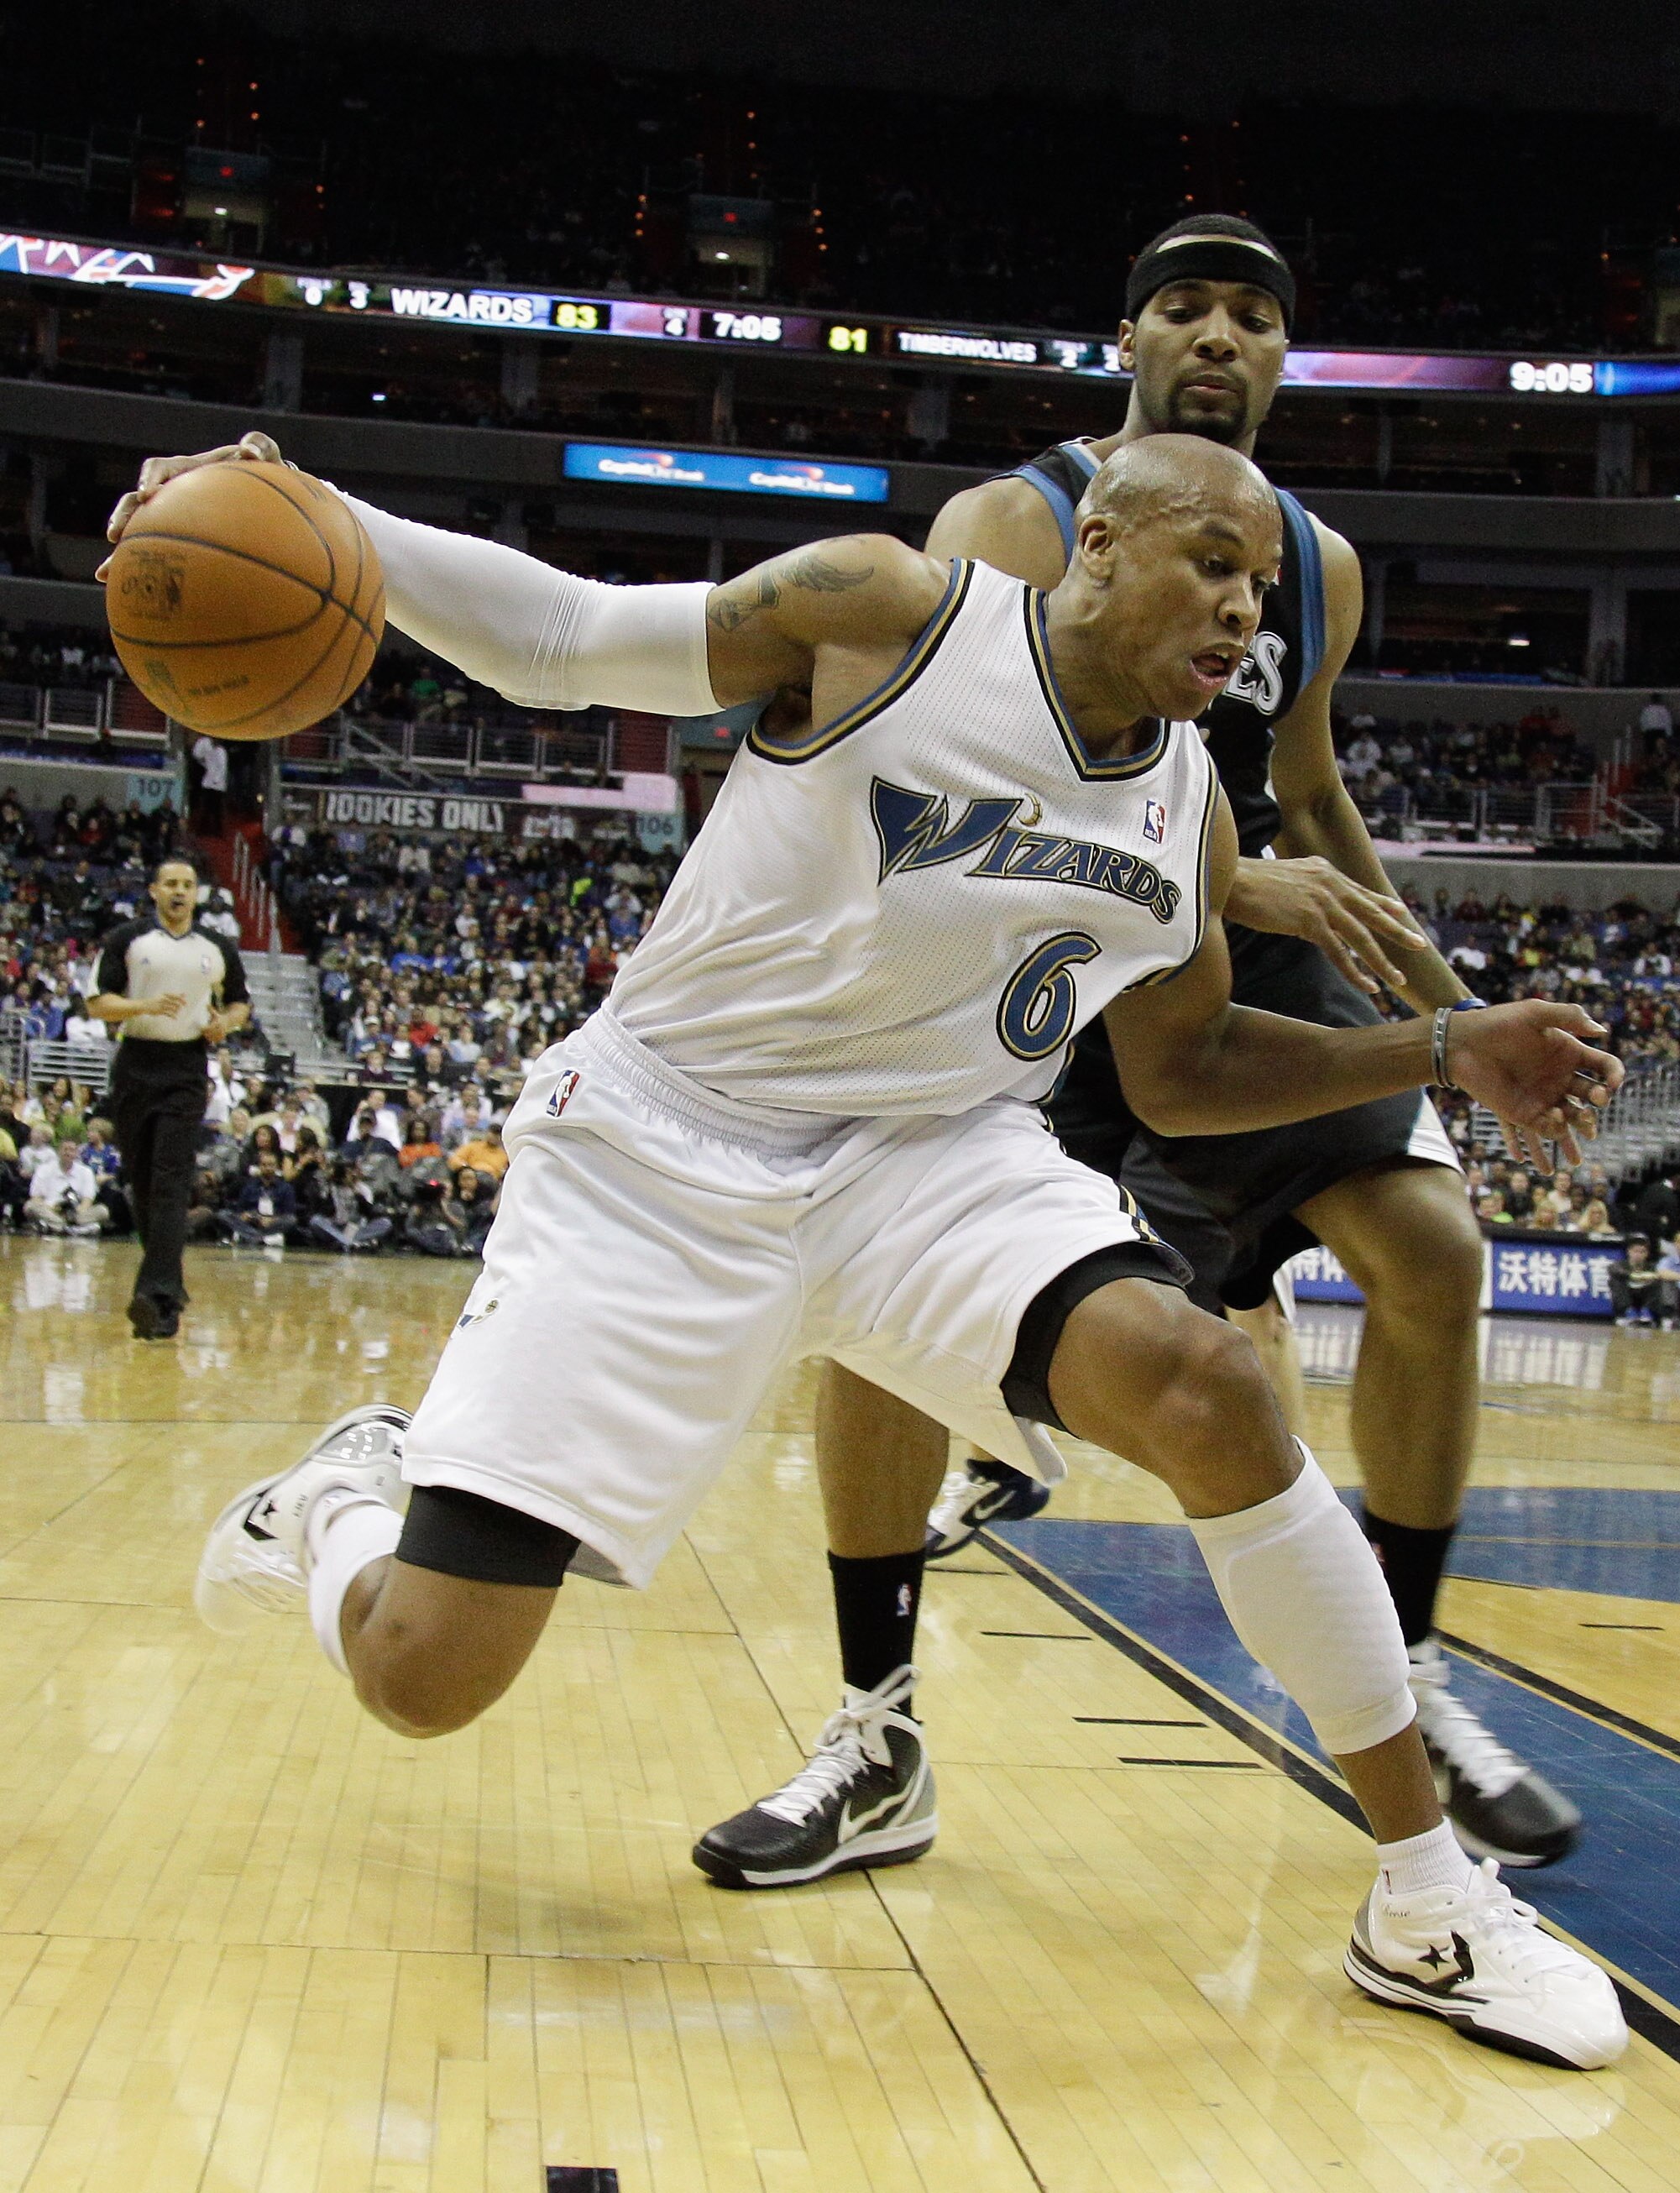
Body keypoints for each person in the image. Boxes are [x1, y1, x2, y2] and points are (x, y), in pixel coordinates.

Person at [138, 429, 1627, 2069]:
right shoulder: (890, 610)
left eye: (1260, 586)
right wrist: (318, 521)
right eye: (1209, 561)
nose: (1240, 610)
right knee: (422, 1678)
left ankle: (1422, 1899)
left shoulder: (1187, 803)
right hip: (659, 1153)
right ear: (1100, 547)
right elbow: (561, 638)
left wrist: (1438, 1043)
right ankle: (350, 1493)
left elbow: (1185, 1075)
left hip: (930, 1160)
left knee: (1208, 1384)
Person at [769, 214, 1579, 1886]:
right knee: (876, 1310)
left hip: (1239, 935)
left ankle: (1407, 1673)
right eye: (1185, 308)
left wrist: (1451, 1004)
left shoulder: (1313, 556)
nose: (1218, 337)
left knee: (1432, 1249)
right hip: (1042, 930)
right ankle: (873, 1725)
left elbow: (1309, 790)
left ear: (1285, 362)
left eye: (1252, 318)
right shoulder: (1012, 516)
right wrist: (1197, 858)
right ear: (1125, 339)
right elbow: (947, 754)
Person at [87, 856, 251, 1338]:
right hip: (136, 1063)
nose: (180, 891)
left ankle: (154, 1293)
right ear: (155, 890)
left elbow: (241, 1001)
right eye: (171, 884)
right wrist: (145, 1005)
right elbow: (98, 1004)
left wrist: (228, 1021)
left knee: (171, 1179)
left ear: (196, 894)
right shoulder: (129, 940)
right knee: (139, 1180)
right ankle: (164, 1300)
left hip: (186, 1066)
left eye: (189, 885)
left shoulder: (217, 946)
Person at [26, 1133, 106, 1235]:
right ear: (59, 1151)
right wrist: (52, 1208)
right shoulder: (44, 1169)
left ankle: (56, 1227)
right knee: (30, 1206)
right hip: (50, 1210)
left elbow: (87, 1200)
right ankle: (71, 1228)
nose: (68, 1153)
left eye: (72, 1150)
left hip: (76, 1213)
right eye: (65, 1149)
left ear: (77, 1153)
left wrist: (78, 1211)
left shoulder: (86, 1171)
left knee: (102, 1211)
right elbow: (36, 1197)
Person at [224, 1148, 298, 1248]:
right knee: (224, 1214)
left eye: (271, 1165)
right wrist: (246, 1216)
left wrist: (272, 1220)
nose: (267, 1168)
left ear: (277, 1167)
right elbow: (240, 1210)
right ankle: (259, 1238)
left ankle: (250, 1237)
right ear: (259, 1166)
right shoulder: (250, 1186)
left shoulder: (286, 1188)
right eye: (264, 1165)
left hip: (272, 1223)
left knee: (291, 1220)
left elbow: (289, 1213)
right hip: (252, 1221)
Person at [191, 735, 228, 837]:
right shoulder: (206, 745)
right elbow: (197, 755)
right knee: (205, 808)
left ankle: (217, 831)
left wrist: (216, 780)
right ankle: (203, 830)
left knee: (217, 809)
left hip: (218, 786)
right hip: (207, 783)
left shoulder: (221, 752)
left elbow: (222, 769)